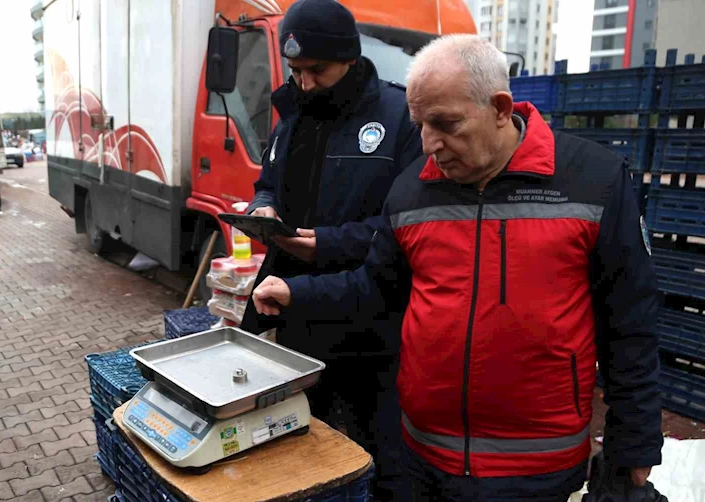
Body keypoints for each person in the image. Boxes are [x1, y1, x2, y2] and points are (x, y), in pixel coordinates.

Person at [252, 35, 663, 501]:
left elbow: (630, 323)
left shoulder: (594, 181)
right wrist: (297, 293)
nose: (429, 144)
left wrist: (634, 446)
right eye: (420, 124)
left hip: (536, 468)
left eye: (445, 124)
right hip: (422, 458)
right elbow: (376, 289)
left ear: (501, 108)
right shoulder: (411, 190)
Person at [239, 0, 422, 499]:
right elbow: (267, 182)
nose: (305, 82)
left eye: (317, 69)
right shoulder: (290, 118)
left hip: (374, 323)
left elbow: (408, 226)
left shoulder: (399, 118)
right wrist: (262, 208)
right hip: (299, 309)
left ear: (350, 57)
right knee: (307, 445)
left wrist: (329, 244)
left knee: (376, 454)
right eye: (296, 70)